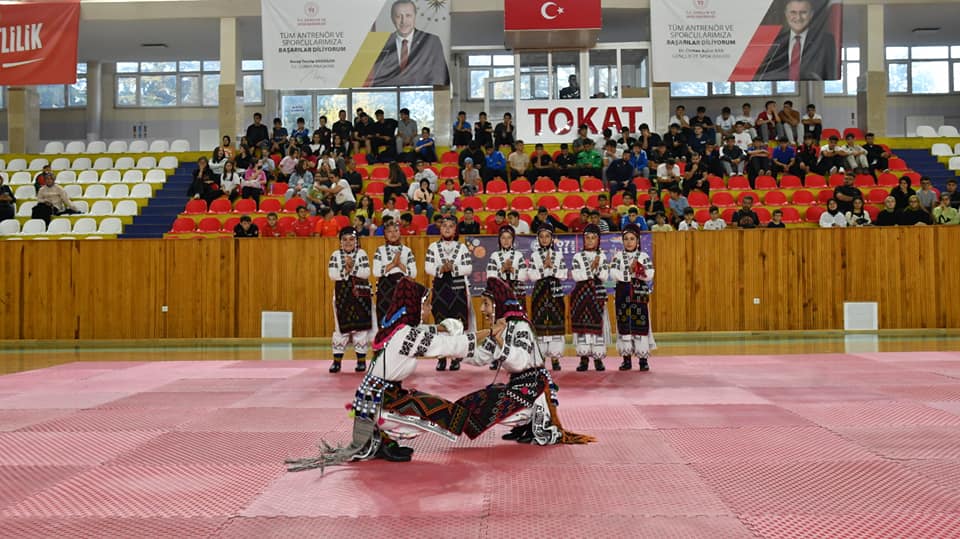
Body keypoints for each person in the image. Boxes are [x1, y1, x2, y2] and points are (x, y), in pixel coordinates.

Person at [286, 277, 506, 470]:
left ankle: (382, 441)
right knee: (444, 412)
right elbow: (447, 345)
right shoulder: (405, 335)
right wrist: (490, 332)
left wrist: (442, 327)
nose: (430, 309)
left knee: (433, 405)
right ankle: (383, 435)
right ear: (415, 307)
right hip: (381, 402)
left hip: (372, 398)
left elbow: (426, 332)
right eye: (427, 304)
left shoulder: (396, 328)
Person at [454, 277, 595, 445]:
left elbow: (519, 362)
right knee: (470, 402)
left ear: (496, 303)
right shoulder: (503, 326)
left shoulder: (520, 326)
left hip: (534, 389)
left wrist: (500, 341)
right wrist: (454, 348)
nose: (482, 309)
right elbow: (481, 356)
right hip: (518, 386)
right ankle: (525, 424)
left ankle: (529, 419)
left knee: (486, 404)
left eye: (485, 304)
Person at [425, 215, 475, 371]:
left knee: (457, 324)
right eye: (444, 225)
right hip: (440, 288)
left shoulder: (462, 248)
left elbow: (468, 268)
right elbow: (428, 267)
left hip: (458, 288)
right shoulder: (433, 247)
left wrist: (452, 268)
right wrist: (441, 269)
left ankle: (455, 358)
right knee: (441, 323)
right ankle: (441, 358)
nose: (447, 228)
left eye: (451, 226)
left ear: (455, 230)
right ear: (440, 228)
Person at [369, 0, 450, 87]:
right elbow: (376, 81)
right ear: (392, 18)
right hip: (390, 97)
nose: (403, 21)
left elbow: (440, 78)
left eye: (408, 16)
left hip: (422, 97)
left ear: (415, 16)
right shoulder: (381, 44)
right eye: (398, 16)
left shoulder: (431, 41)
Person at [327, 227, 375, 374]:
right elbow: (332, 275)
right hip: (342, 295)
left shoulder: (362, 254)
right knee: (341, 329)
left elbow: (366, 272)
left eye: (351, 239)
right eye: (345, 240)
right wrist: (346, 270)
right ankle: (337, 362)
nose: (348, 242)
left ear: (356, 241)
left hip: (360, 294)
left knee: (361, 328)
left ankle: (361, 362)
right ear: (340, 242)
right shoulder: (335, 255)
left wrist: (351, 268)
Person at [610, 224, 655, 371]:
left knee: (640, 325)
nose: (629, 242)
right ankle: (626, 359)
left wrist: (637, 270)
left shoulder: (643, 256)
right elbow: (613, 273)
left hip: (639, 295)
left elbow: (650, 274)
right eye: (626, 239)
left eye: (632, 239)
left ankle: (643, 359)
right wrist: (631, 273)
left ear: (638, 240)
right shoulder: (617, 256)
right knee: (624, 326)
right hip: (623, 294)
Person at [757, 0, 837, 81]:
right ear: (786, 14)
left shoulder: (826, 41)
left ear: (811, 14)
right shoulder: (776, 42)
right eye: (793, 12)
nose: (798, 17)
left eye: (803, 12)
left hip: (813, 90)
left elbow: (831, 75)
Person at [525, 223, 568, 371]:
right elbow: (531, 275)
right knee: (539, 320)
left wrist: (552, 268)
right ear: (538, 239)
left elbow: (563, 274)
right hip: (540, 290)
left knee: (556, 318)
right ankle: (540, 356)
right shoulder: (534, 256)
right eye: (541, 236)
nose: (544, 239)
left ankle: (555, 358)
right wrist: (546, 269)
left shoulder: (558, 255)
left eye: (547, 236)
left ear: (552, 238)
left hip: (555, 289)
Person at [570, 225, 609, 372]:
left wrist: (597, 269)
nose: (590, 241)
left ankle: (598, 359)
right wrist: (592, 270)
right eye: (587, 238)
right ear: (583, 239)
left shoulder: (603, 256)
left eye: (593, 238)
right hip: (581, 295)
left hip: (597, 294)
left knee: (598, 327)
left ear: (598, 240)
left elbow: (604, 276)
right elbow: (576, 275)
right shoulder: (577, 257)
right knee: (583, 328)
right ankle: (584, 358)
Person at [373, 220, 418, 323]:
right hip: (385, 288)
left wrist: (400, 265)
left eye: (396, 231)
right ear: (385, 234)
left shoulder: (407, 251)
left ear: (400, 232)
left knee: (403, 317)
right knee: (385, 316)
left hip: (404, 287)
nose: (393, 234)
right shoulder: (380, 250)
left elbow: (414, 273)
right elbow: (376, 272)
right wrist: (393, 264)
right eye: (389, 231)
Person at [486, 224, 526, 307]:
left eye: (509, 237)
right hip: (499, 292)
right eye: (503, 238)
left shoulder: (519, 255)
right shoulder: (494, 255)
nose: (506, 240)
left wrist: (512, 269)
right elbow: (490, 276)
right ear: (499, 239)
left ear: (513, 239)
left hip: (517, 292)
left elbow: (524, 276)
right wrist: (502, 269)